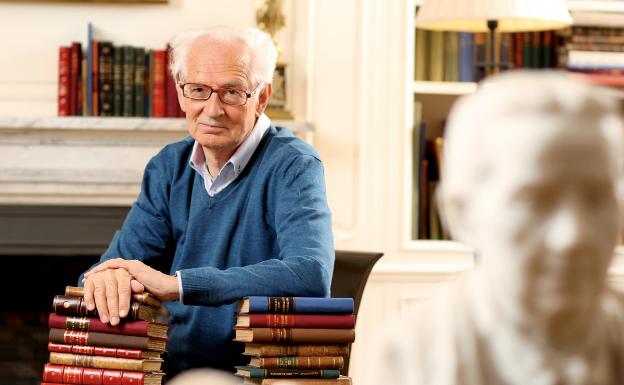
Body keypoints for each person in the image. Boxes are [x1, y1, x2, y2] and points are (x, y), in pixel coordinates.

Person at [79, 26, 334, 378]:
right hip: (168, 369)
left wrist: (179, 285)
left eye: (231, 92)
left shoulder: (294, 164)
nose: (212, 110)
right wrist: (106, 281)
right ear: (181, 94)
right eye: (198, 90)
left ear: (261, 97)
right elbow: (111, 268)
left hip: (254, 374)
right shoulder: (168, 167)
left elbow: (310, 273)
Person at [364, 71, 624, 385]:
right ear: (461, 214)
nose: (572, 236)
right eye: (535, 201)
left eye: (596, 198)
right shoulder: (414, 357)